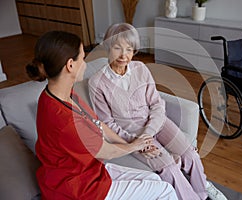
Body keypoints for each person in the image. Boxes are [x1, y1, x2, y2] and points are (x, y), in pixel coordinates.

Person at [26, 30, 178, 200]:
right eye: (83, 59)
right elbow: (105, 151)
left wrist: (136, 143)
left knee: (154, 178)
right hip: (80, 189)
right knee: (166, 191)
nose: (85, 64)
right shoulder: (64, 120)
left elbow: (98, 124)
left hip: (89, 171)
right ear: (70, 65)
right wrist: (134, 146)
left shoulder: (60, 95)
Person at [88, 23, 228, 200]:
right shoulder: (97, 82)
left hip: (156, 123)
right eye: (117, 48)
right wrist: (138, 142)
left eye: (129, 49)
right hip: (130, 134)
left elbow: (156, 104)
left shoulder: (141, 69)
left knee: (190, 153)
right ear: (108, 46)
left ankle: (202, 191)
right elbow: (107, 124)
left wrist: (148, 133)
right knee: (168, 167)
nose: (124, 55)